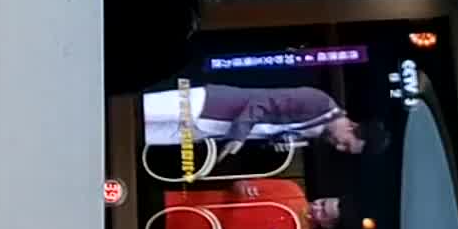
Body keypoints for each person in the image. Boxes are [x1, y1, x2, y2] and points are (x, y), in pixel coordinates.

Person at [143, 81, 370, 157]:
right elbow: (263, 101)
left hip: (209, 130)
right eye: (346, 143)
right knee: (137, 111)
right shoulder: (319, 101)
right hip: (209, 104)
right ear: (352, 126)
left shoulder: (315, 133)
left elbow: (267, 129)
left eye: (344, 150)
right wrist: (239, 137)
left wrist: (275, 144)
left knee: (141, 136)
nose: (339, 147)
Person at [159, 178, 339, 229]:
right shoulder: (291, 189)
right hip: (187, 203)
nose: (317, 208)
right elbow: (239, 183)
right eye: (322, 202)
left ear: (327, 225)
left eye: (323, 213)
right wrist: (242, 187)